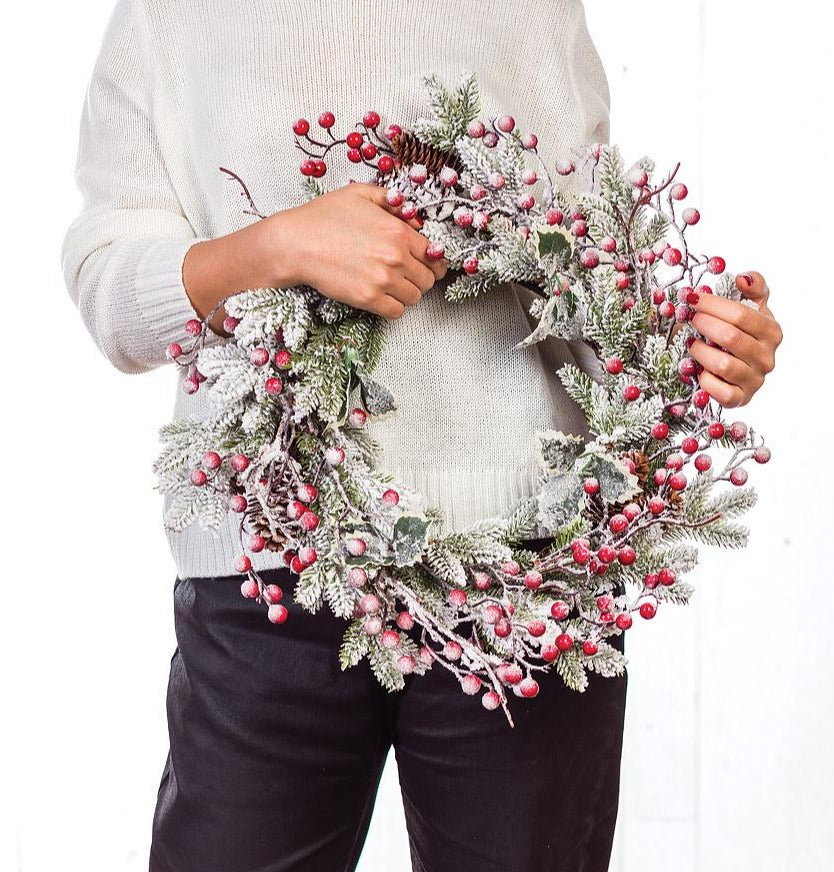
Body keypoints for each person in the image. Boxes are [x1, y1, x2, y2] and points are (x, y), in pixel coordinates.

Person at [60, 1, 781, 869]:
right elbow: (110, 288)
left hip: (524, 572)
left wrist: (692, 345)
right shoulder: (170, 17)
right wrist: (279, 247)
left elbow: (582, 273)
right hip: (272, 566)